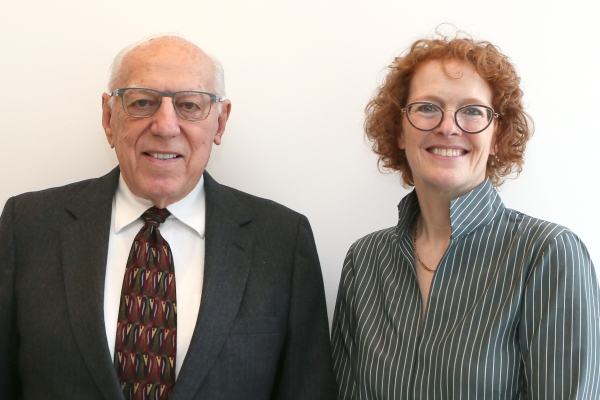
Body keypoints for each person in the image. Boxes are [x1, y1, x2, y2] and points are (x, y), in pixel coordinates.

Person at [0, 35, 336, 400]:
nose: (165, 126)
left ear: (220, 123)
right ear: (109, 117)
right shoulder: (28, 226)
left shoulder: (283, 240)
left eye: (190, 105)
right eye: (142, 102)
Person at [331, 33, 600, 399]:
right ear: (398, 130)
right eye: (427, 107)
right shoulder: (364, 261)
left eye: (472, 110)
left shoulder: (548, 254)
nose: (448, 126)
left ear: (497, 134)